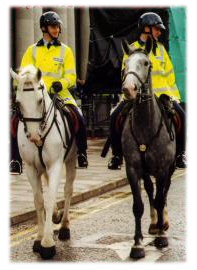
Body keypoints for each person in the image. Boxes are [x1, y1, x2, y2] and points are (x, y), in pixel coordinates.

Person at [107, 12, 186, 170]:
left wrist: (175, 97)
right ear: (147, 28)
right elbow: (126, 74)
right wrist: (129, 95)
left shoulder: (161, 50)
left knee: (182, 115)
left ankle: (179, 154)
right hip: (137, 96)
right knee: (115, 116)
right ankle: (116, 156)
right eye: (156, 29)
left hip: (163, 95)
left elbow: (170, 76)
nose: (159, 32)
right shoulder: (132, 49)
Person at [11, 11, 88, 169]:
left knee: (79, 117)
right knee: (15, 120)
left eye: (58, 27)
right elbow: (22, 74)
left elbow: (72, 75)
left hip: (60, 94)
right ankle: (15, 160)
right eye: (54, 27)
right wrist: (18, 87)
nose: (57, 30)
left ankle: (82, 153)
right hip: (36, 95)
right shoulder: (31, 50)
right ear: (44, 28)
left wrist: (61, 83)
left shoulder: (65, 50)